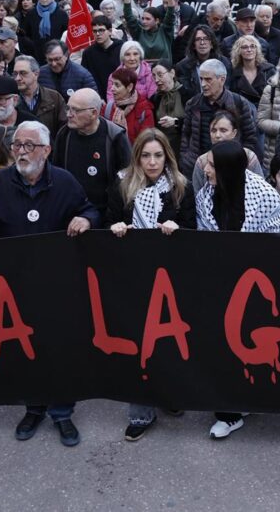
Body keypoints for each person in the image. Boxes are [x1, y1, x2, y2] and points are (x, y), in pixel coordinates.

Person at [0, 121, 97, 446]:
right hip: (15, 284)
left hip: (56, 282)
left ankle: (62, 413)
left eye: (29, 146)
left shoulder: (64, 181)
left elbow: (90, 209)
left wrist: (86, 219)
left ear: (46, 150)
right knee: (24, 350)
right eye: (17, 145)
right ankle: (33, 408)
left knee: (59, 349)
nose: (21, 151)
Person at [105, 128, 195, 441]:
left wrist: (177, 228)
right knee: (139, 344)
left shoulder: (181, 187)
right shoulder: (121, 185)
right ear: (137, 158)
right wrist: (115, 228)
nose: (152, 162)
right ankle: (140, 413)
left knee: (167, 341)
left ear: (167, 157)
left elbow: (193, 229)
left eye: (158, 155)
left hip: (171, 279)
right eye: (146, 156)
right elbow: (108, 220)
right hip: (132, 276)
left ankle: (168, 394)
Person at [199, 139, 280, 439]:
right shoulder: (206, 195)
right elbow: (203, 237)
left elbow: (277, 237)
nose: (205, 169)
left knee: (251, 344)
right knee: (222, 347)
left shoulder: (263, 195)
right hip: (219, 284)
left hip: (257, 285)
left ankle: (249, 399)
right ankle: (228, 413)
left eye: (212, 165)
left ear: (227, 168)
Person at [52, 87, 132, 216]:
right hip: (71, 213)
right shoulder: (64, 134)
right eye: (68, 108)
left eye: (75, 110)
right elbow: (56, 174)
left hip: (106, 215)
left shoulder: (115, 137)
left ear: (94, 113)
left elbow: (127, 180)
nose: (69, 114)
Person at [179, 59, 259, 177]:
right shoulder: (193, 104)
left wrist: (239, 159)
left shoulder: (239, 103)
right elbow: (186, 135)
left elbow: (250, 137)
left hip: (231, 165)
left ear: (222, 79)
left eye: (208, 79)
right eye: (201, 79)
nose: (203, 84)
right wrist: (186, 160)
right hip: (199, 167)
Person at [13, 55, 65, 137]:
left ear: (36, 74)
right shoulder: (10, 99)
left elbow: (63, 128)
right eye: (15, 74)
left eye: (23, 73)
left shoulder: (54, 97)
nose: (17, 78)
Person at [106, 66, 155, 146]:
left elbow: (145, 143)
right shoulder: (108, 109)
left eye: (117, 85)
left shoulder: (144, 111)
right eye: (112, 84)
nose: (112, 88)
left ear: (129, 87)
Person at [228, 35, 276, 107]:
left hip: (265, 110)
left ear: (257, 49)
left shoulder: (269, 70)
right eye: (245, 47)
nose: (249, 50)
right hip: (242, 110)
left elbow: (276, 95)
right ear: (238, 51)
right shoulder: (233, 73)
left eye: (253, 46)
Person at [150, 60, 185, 158]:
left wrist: (176, 122)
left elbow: (193, 122)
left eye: (160, 75)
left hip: (182, 146)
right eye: (154, 76)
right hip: (161, 146)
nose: (156, 80)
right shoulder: (154, 99)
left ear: (172, 73)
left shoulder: (186, 94)